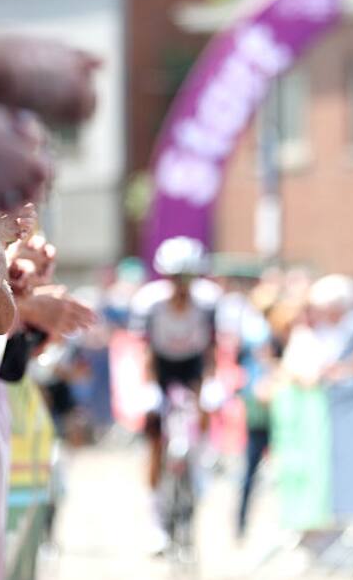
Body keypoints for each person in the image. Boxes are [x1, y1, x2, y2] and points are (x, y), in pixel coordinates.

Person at [130, 236, 219, 551]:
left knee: (206, 407)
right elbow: (144, 351)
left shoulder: (208, 301)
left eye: (187, 278)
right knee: (155, 437)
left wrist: (210, 384)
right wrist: (149, 388)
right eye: (175, 278)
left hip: (192, 366)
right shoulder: (149, 302)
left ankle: (202, 460)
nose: (181, 286)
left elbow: (211, 349)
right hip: (161, 367)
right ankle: (156, 519)